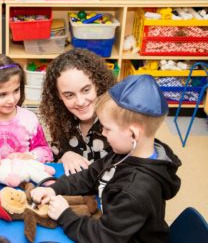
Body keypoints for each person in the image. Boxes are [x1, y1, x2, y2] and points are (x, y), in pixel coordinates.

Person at [31, 74, 182, 242]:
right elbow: (90, 175)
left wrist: (65, 215)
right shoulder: (126, 152)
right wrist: (54, 188)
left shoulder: (135, 190)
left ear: (133, 134)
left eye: (107, 129)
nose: (102, 133)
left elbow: (103, 237)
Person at [39, 48, 116, 175]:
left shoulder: (118, 121)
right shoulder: (61, 120)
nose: (80, 102)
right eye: (69, 95)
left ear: (98, 84)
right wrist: (65, 156)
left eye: (86, 90)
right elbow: (55, 162)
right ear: (59, 96)